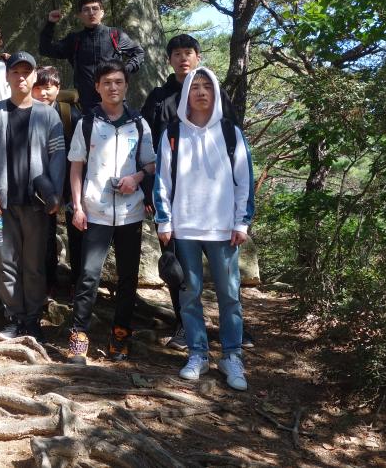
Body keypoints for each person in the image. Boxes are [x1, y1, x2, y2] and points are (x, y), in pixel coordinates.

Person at [141, 34, 255, 352]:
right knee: (180, 274)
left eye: (188, 52)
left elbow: (235, 149)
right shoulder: (158, 98)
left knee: (227, 280)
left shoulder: (219, 99)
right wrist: (153, 197)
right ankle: (185, 329)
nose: (183, 58)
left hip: (218, 207)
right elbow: (148, 148)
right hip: (177, 205)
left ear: (198, 57)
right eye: (176, 53)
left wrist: (241, 215)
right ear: (169, 60)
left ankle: (235, 335)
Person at [66, 60, 156, 364]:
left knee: (128, 278)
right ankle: (78, 336)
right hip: (95, 212)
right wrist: (77, 206)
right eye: (107, 82)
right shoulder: (87, 123)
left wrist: (136, 178)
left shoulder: (139, 124)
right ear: (97, 87)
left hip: (131, 213)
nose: (113, 87)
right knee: (88, 275)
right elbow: (76, 167)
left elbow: (151, 164)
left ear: (126, 86)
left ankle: (120, 334)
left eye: (118, 82)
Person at [0, 52, 66, 342]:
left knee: (34, 265)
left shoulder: (48, 115)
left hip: (36, 206)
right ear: (7, 76)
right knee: (5, 263)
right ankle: (13, 318)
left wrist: (54, 194)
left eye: (27, 72)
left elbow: (58, 155)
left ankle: (32, 320)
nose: (21, 77)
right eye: (15, 72)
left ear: (34, 76)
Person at [39, 0, 145, 110]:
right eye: (86, 9)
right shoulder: (74, 39)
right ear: (80, 15)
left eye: (95, 8)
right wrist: (50, 23)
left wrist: (125, 70)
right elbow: (46, 49)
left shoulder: (115, 35)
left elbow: (138, 52)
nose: (91, 13)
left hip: (115, 100)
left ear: (102, 13)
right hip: (87, 104)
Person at [31, 65, 81, 296]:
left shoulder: (70, 114)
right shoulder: (28, 112)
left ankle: (77, 283)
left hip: (71, 180)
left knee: (76, 231)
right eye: (37, 87)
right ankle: (47, 282)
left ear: (58, 88)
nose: (42, 93)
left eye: (48, 87)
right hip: (43, 181)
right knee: (46, 233)